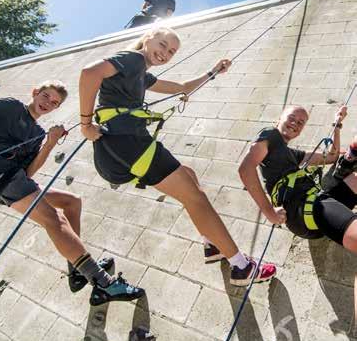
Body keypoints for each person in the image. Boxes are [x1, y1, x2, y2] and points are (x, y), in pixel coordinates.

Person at [79, 27, 277, 286]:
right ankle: (241, 266)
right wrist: (85, 124)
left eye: (171, 51)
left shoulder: (141, 73)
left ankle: (212, 244)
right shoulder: (133, 59)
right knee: (196, 198)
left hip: (126, 145)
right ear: (148, 38)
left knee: (190, 177)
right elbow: (89, 73)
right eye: (162, 44)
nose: (165, 53)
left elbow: (181, 88)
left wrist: (213, 72)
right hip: (129, 142)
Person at [0, 81, 144, 306]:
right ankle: (104, 284)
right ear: (35, 93)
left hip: (12, 181)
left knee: (71, 203)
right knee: (54, 219)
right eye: (46, 96)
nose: (48, 103)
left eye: (54, 102)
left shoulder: (38, 133)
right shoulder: (11, 107)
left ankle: (78, 269)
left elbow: (28, 174)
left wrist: (49, 143)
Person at [239, 105, 357, 253]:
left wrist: (337, 125)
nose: (295, 123)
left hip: (314, 213)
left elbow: (332, 156)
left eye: (300, 123)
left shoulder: (292, 154)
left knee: (354, 179)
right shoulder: (270, 135)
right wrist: (270, 212)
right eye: (291, 118)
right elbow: (245, 169)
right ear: (279, 119)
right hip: (306, 210)